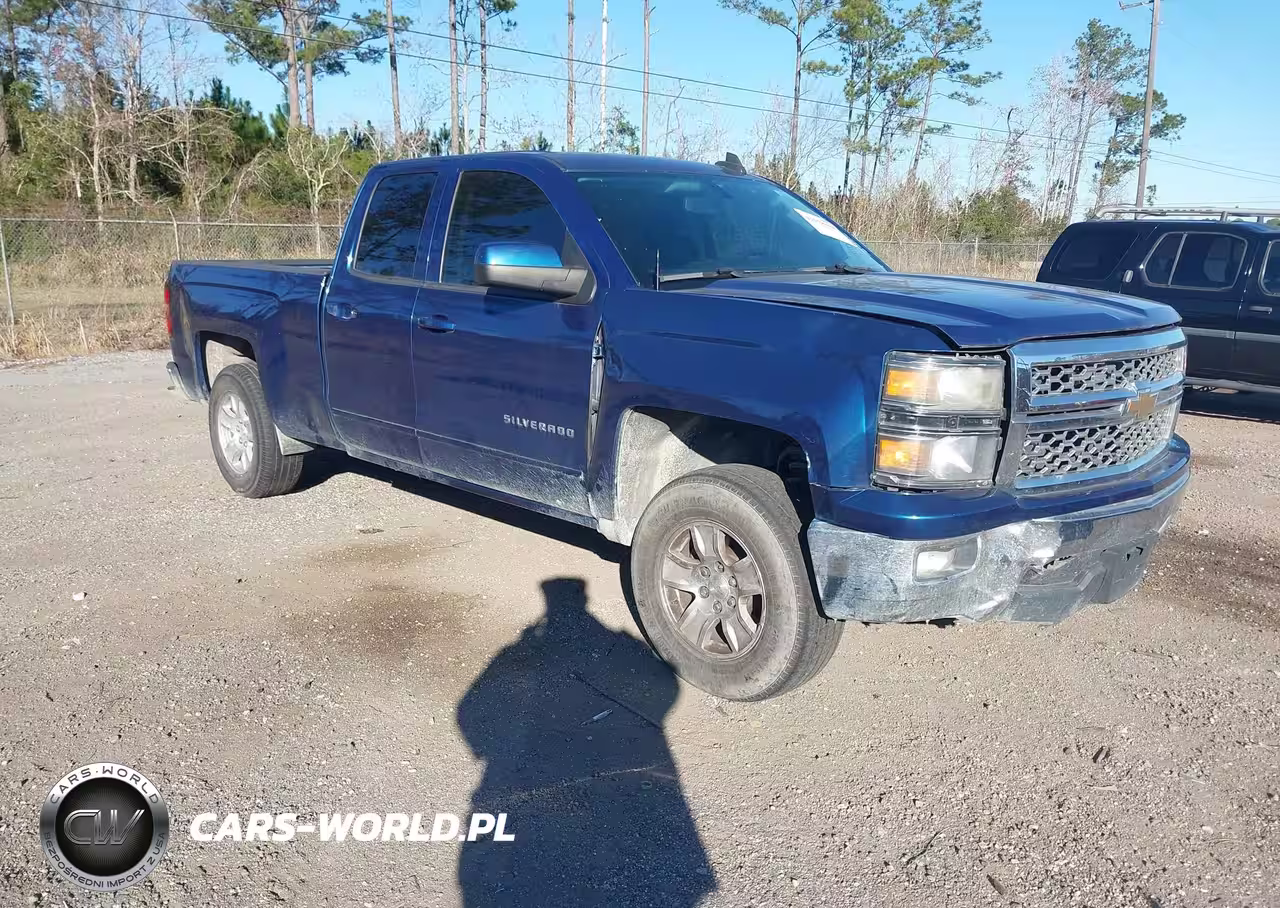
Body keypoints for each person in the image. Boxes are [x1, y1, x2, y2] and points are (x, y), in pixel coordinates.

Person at [457, 577, 715, 906]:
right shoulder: (617, 643)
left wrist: (486, 750)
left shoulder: (526, 647)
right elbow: (666, 687)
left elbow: (468, 712)